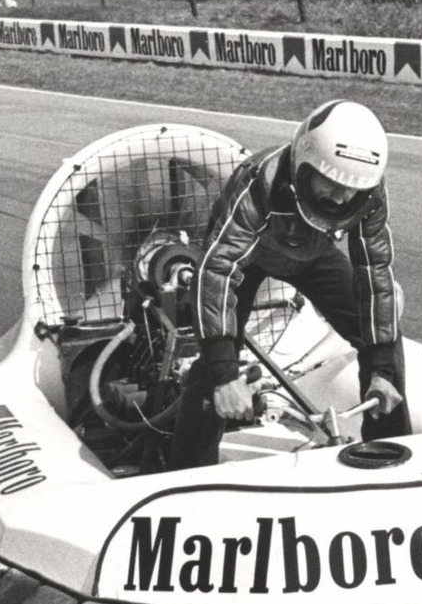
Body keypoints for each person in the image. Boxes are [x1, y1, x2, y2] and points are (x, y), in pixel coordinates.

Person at [168, 100, 408, 471]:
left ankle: (392, 454)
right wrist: (224, 377)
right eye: (330, 183)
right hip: (250, 258)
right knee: (214, 367)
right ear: (302, 164)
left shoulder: (369, 191)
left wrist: (383, 370)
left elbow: (376, 273)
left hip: (312, 255)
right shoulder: (257, 183)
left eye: (351, 189)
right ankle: (187, 471)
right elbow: (217, 271)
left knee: (383, 342)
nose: (342, 198)